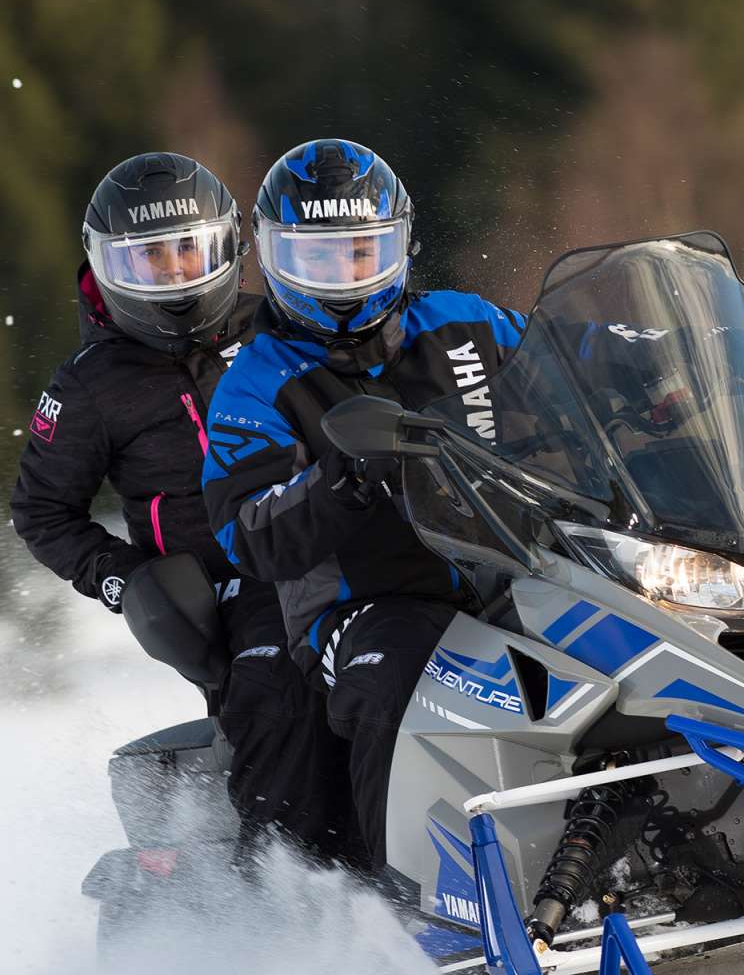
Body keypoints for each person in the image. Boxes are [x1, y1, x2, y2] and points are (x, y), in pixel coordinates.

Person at [9, 152, 350, 865]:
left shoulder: (286, 330)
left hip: (336, 541)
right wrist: (127, 579)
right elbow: (44, 511)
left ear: (229, 247)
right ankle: (284, 886)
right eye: (150, 263)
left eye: (190, 254)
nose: (176, 278)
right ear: (107, 269)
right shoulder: (91, 386)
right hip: (227, 586)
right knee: (280, 683)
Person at [201, 138, 527, 870]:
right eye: (315, 259)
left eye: (360, 253)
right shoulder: (258, 383)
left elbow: (574, 361)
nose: (341, 278)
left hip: (519, 569)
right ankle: (405, 898)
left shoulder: (464, 324)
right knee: (405, 682)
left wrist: (670, 378)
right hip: (366, 604)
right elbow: (245, 529)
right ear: (272, 258)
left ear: (400, 246)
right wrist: (340, 480)